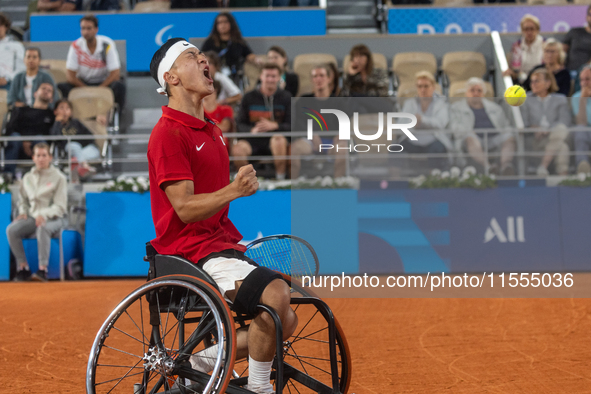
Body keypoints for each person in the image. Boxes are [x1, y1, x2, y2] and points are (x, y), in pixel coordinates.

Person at [147, 38, 296, 394]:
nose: (203, 60)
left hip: (219, 243)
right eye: (191, 56)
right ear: (172, 78)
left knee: (285, 318)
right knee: (275, 296)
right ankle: (259, 388)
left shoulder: (213, 130)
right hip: (189, 250)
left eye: (202, 55)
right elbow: (183, 208)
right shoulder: (168, 133)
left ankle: (198, 364)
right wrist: (234, 190)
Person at [8, 143, 68, 282]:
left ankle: (43, 270)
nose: (41, 158)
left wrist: (44, 215)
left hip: (55, 217)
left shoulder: (59, 178)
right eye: (38, 155)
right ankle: (24, 268)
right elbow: (22, 200)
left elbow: (60, 206)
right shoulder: (27, 178)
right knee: (11, 230)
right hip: (32, 216)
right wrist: (23, 211)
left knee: (42, 228)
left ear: (50, 157)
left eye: (44, 155)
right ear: (33, 158)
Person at [234, 63, 291, 180]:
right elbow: (239, 124)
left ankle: (280, 180)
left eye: (273, 76)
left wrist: (275, 126)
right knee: (237, 149)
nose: (270, 79)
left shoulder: (286, 97)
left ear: (279, 77)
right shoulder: (248, 97)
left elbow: (291, 125)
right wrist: (251, 130)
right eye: (267, 76)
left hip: (276, 139)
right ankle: (247, 181)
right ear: (261, 76)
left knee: (279, 140)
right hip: (253, 140)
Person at [450, 77, 516, 175]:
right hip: (473, 139)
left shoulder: (495, 108)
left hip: (494, 138)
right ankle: (488, 167)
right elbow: (453, 127)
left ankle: (505, 166)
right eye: (472, 90)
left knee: (509, 136)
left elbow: (505, 126)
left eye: (479, 90)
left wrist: (507, 132)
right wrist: (468, 131)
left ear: (483, 94)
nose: (476, 93)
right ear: (466, 93)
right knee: (470, 137)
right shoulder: (456, 108)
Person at [58, 15, 125, 110]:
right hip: (82, 83)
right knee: (61, 87)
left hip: (104, 83)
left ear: (96, 29)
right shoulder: (75, 46)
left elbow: (115, 74)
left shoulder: (107, 44)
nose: (85, 32)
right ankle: (71, 117)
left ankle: (115, 118)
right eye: (83, 28)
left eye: (89, 28)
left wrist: (99, 89)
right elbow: (70, 76)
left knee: (119, 86)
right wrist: (87, 90)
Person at [293, 64, 347, 179]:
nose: (318, 79)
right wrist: (311, 134)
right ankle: (293, 186)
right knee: (295, 149)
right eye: (315, 76)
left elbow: (345, 125)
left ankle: (338, 185)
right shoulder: (303, 101)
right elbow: (298, 124)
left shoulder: (339, 102)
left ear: (329, 78)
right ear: (312, 80)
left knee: (342, 148)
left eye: (321, 75)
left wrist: (340, 135)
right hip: (310, 141)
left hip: (332, 142)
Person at [520, 68, 571, 176]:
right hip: (536, 140)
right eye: (531, 81)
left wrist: (548, 130)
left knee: (561, 129)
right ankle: (564, 180)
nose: (533, 84)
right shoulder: (525, 99)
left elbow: (565, 121)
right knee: (562, 147)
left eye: (537, 81)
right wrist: (535, 128)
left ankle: (543, 166)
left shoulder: (560, 99)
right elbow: (524, 123)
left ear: (547, 83)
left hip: (554, 136)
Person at [400, 71, 452, 170]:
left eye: (426, 86)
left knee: (437, 149)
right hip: (413, 141)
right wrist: (413, 124)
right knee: (395, 148)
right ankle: (396, 182)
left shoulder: (442, 104)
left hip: (434, 141)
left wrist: (422, 120)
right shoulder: (409, 103)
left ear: (433, 87)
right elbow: (401, 124)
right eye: (420, 86)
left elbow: (441, 123)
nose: (423, 89)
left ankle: (433, 181)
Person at [5, 82, 56, 176]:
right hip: (18, 145)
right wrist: (24, 140)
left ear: (52, 98)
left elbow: (51, 134)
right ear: (35, 93)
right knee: (15, 137)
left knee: (40, 139)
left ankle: (44, 174)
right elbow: (10, 128)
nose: (46, 91)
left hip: (40, 146)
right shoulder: (21, 110)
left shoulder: (52, 115)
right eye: (43, 88)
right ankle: (8, 175)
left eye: (49, 91)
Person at [201, 13, 260, 84]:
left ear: (231, 24)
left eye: (225, 22)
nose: (222, 25)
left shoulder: (238, 41)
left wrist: (256, 60)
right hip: (214, 77)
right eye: (219, 23)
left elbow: (249, 54)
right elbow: (202, 56)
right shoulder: (210, 42)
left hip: (234, 76)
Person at [50, 98, 100, 178]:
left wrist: (79, 144)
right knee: (73, 145)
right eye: (61, 108)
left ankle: (77, 165)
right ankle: (84, 166)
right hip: (68, 151)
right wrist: (57, 122)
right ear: (55, 111)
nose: (64, 111)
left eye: (67, 108)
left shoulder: (76, 123)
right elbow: (54, 139)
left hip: (85, 149)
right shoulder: (55, 125)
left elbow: (90, 137)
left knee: (94, 152)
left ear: (71, 112)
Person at [504, 14, 545, 84]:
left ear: (537, 30)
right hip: (522, 80)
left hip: (541, 80)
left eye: (532, 29)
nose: (529, 32)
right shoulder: (517, 46)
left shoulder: (545, 45)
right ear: (522, 30)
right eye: (526, 29)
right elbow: (515, 69)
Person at [572, 66, 591, 174]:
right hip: (587, 132)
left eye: (587, 79)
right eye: (581, 80)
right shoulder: (576, 97)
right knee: (579, 130)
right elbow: (581, 122)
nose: (584, 83)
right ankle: (582, 164)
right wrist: (583, 100)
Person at [0, 13, 25, 92]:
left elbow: (22, 68)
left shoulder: (16, 46)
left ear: (6, 27)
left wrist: (7, 78)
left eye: (0, 25)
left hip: (9, 84)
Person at [563, 5, 591, 72]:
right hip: (568, 70)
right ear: (586, 17)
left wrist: (585, 70)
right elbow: (562, 50)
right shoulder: (574, 32)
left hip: (587, 73)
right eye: (590, 14)